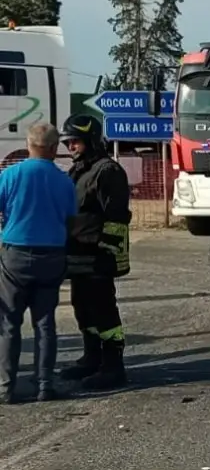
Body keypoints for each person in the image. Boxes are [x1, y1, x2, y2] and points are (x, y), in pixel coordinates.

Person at [0, 122, 78, 403]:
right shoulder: (64, 180)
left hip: (15, 254)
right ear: (55, 148)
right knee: (45, 322)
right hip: (52, 254)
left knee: (9, 322)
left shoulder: (9, 175)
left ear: (28, 143)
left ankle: (6, 388)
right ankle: (45, 384)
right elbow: (70, 216)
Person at [59, 114, 132, 391]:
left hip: (97, 255)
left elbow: (116, 216)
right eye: (68, 142)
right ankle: (92, 358)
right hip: (77, 254)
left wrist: (107, 252)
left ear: (90, 140)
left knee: (103, 311)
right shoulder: (78, 170)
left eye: (75, 141)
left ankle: (113, 367)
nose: (71, 147)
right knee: (82, 308)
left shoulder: (108, 171)